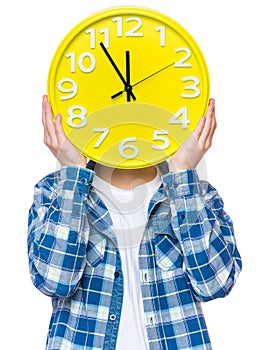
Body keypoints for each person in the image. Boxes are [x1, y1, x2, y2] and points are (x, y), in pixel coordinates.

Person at [27, 95, 242, 350]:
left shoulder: (197, 195)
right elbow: (54, 280)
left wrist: (183, 176)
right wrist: (72, 172)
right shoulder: (55, 191)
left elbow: (214, 284)